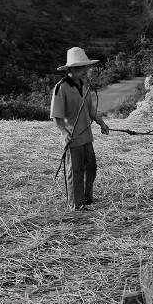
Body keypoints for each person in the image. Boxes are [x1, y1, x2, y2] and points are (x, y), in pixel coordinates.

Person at [50, 47, 109, 211]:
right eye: (82, 68)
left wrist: (101, 123)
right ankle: (76, 204)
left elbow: (91, 110)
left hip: (86, 136)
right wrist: (64, 132)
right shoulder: (60, 88)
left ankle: (87, 198)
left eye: (85, 68)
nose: (85, 71)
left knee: (91, 167)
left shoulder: (85, 86)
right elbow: (57, 117)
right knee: (75, 171)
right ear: (72, 69)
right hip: (73, 137)